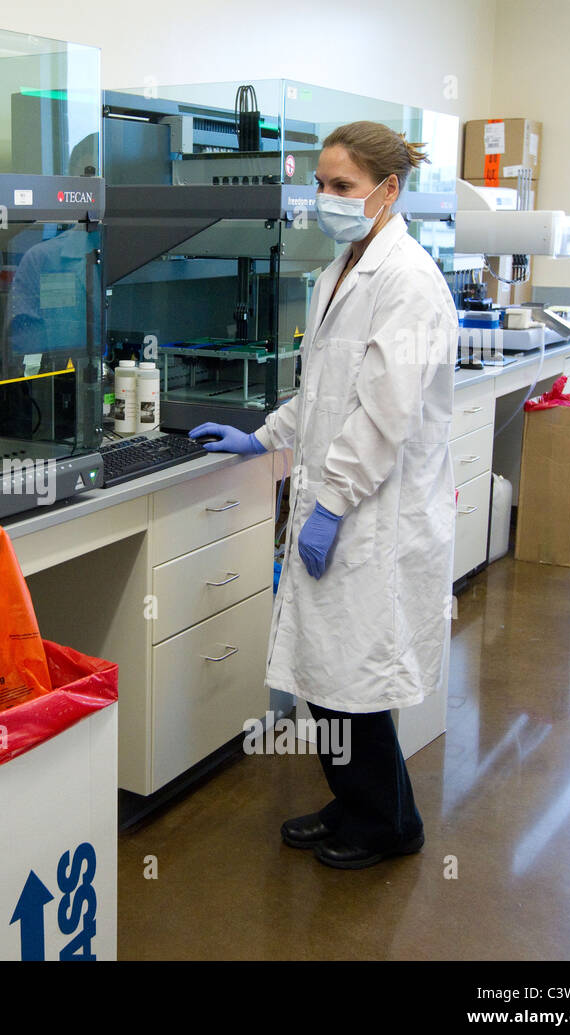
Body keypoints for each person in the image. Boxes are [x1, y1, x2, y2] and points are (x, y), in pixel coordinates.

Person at [190, 121, 457, 870]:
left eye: (342, 186)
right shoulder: (341, 267)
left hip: (374, 512)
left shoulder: (409, 282)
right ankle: (359, 803)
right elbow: (323, 396)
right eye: (322, 183)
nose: (327, 198)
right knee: (330, 676)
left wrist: (334, 502)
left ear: (387, 190)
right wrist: (266, 436)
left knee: (353, 680)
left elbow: (382, 413)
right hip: (339, 502)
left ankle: (388, 826)